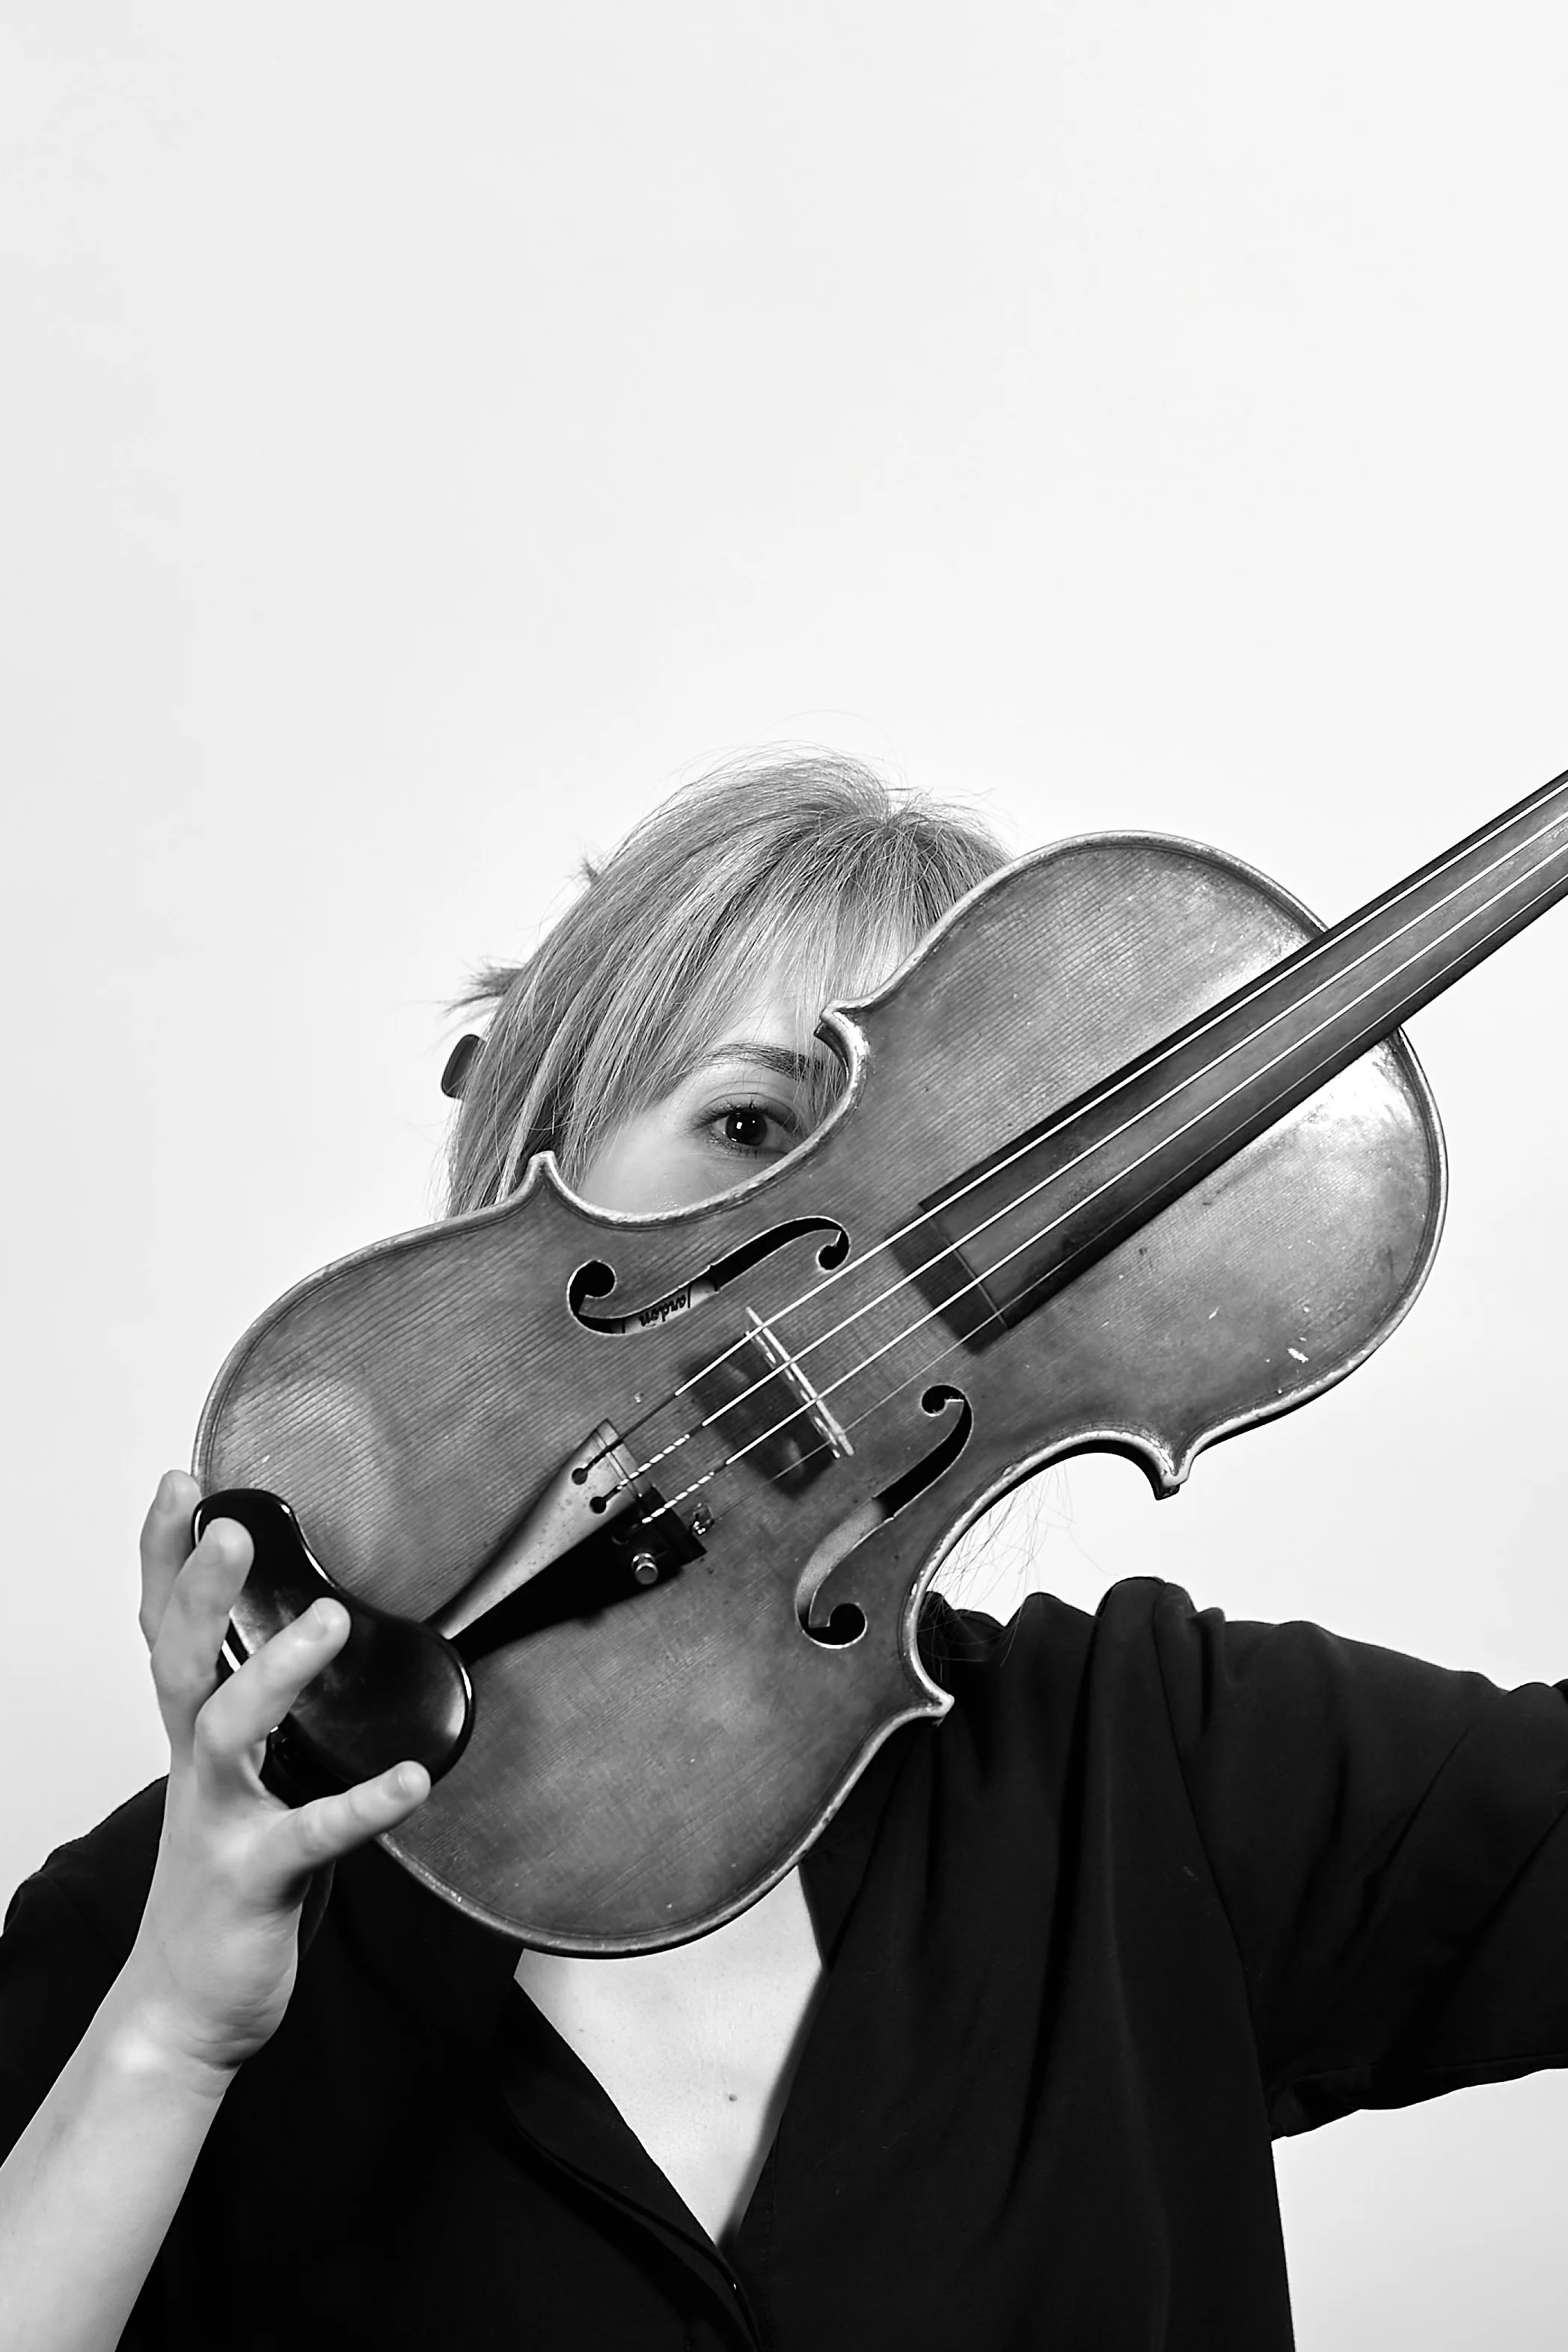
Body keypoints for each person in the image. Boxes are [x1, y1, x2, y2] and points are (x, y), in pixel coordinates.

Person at [3, 753, 1568, 2352]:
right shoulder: (158, 1928)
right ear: (530, 1169)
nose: (872, 1306)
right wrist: (170, 2043)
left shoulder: (1154, 1759)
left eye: (968, 1203)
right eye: (750, 1122)